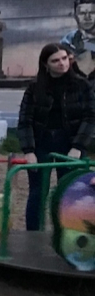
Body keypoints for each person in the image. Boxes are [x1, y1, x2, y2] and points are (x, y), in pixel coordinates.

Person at [16, 43, 95, 231]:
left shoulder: (82, 85)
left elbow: (91, 117)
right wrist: (29, 151)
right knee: (37, 192)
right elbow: (25, 120)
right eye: (55, 60)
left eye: (64, 58)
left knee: (71, 193)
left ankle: (67, 237)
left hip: (71, 143)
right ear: (46, 64)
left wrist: (78, 146)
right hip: (41, 143)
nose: (62, 63)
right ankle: (33, 236)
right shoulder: (35, 88)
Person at [60, 0, 95, 79]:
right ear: (75, 16)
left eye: (92, 13)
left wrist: (85, 46)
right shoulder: (68, 40)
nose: (87, 17)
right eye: (82, 13)